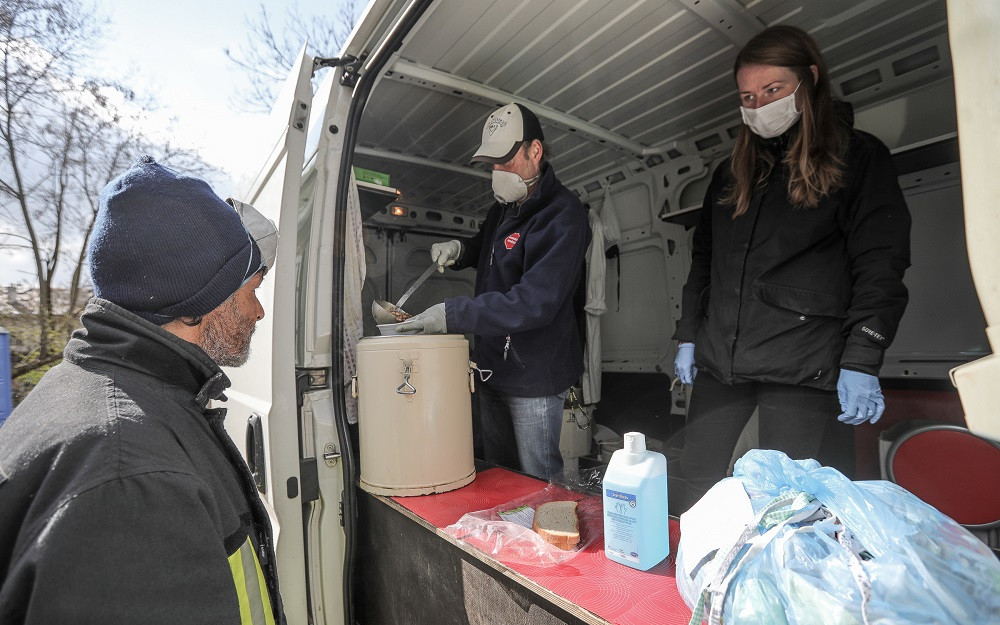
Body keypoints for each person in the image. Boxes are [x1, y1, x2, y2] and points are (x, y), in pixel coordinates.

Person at [0, 157, 284, 624]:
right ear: (198, 300)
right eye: (250, 291)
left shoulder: (96, 390)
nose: (258, 312)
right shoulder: (133, 481)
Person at [672, 25, 911, 508]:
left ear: (811, 80)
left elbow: (880, 264)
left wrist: (863, 357)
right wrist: (688, 334)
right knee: (693, 472)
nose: (759, 105)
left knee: (792, 498)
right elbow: (704, 262)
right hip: (723, 358)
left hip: (803, 360)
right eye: (748, 96)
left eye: (773, 90)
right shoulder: (730, 172)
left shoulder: (858, 158)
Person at [396, 103, 590, 480]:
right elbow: (485, 246)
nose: (497, 173)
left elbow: (535, 302)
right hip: (491, 370)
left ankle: (547, 540)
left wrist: (453, 314)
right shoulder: (503, 208)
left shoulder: (563, 215)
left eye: (505, 161)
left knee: (539, 480)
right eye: (492, 164)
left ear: (535, 151)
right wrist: (459, 249)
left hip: (535, 376)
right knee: (501, 476)